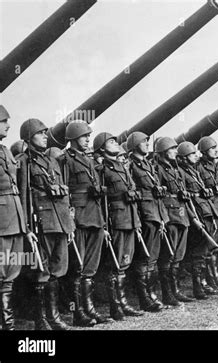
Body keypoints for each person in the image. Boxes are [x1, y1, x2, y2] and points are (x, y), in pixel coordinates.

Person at [18, 118, 75, 330]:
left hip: (60, 221)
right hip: (41, 222)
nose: (45, 136)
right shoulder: (24, 162)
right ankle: (41, 319)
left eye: (45, 133)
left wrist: (69, 224)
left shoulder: (52, 161)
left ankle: (53, 316)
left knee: (57, 268)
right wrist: (26, 228)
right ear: (28, 138)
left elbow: (64, 193)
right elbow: (23, 196)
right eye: (40, 133)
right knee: (41, 271)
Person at [60, 121, 110, 327]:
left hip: (95, 215)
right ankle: (77, 312)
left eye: (89, 136)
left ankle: (89, 309)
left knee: (90, 267)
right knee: (77, 268)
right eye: (84, 137)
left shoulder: (88, 160)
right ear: (72, 138)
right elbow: (64, 190)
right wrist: (69, 218)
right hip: (79, 217)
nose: (88, 139)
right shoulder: (65, 160)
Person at [93, 132, 144, 320]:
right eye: (111, 142)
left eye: (115, 141)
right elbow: (101, 200)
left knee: (124, 263)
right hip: (116, 220)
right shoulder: (101, 169)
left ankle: (123, 303)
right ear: (102, 148)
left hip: (129, 218)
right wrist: (105, 225)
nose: (115, 144)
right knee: (115, 264)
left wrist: (136, 221)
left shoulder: (122, 167)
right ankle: (116, 306)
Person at [127, 131, 169, 311]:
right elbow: (132, 192)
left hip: (156, 212)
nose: (147, 144)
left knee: (153, 257)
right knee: (144, 258)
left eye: (147, 141)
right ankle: (144, 298)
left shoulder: (148, 165)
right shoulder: (131, 165)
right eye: (143, 142)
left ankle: (151, 294)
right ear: (135, 145)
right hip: (145, 214)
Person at [154, 137, 197, 304]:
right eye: (171, 149)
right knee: (168, 255)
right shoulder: (158, 169)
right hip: (170, 214)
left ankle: (175, 290)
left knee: (178, 255)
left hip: (181, 214)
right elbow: (157, 194)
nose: (175, 152)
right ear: (164, 151)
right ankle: (167, 294)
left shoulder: (176, 169)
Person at [177, 141, 218, 299]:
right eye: (191, 154)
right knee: (198, 253)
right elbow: (185, 199)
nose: (195, 156)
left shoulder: (193, 171)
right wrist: (194, 218)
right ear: (183, 158)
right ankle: (198, 286)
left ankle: (204, 283)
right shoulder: (182, 172)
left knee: (203, 252)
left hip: (205, 210)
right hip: (197, 213)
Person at [0, 106, 26, 330]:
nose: (8, 125)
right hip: (1, 221)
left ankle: (7, 324)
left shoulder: (6, 151)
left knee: (11, 272)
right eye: (3, 121)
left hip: (15, 216)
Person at [196, 136, 218, 289]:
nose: (216, 151)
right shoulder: (199, 167)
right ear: (204, 151)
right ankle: (207, 279)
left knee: (217, 245)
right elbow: (199, 190)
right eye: (212, 148)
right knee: (208, 246)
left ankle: (214, 277)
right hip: (210, 209)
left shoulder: (216, 166)